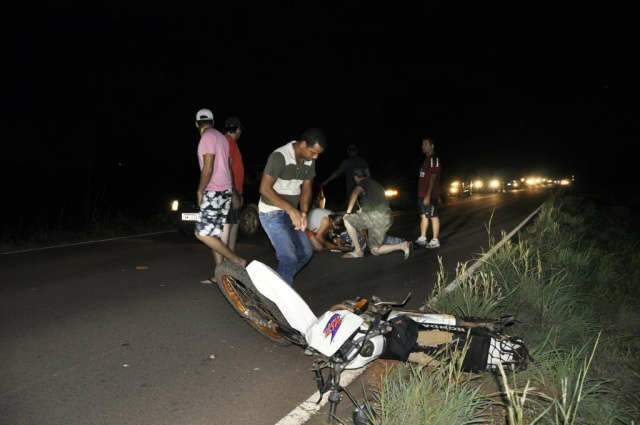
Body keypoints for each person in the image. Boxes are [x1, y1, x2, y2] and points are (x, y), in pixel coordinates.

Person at [258, 128, 327, 285]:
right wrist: (291, 209)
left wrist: (303, 212)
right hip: (271, 212)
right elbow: (264, 189)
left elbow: (307, 188)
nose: (315, 156)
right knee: (288, 257)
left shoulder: (309, 160)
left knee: (306, 252)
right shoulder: (279, 156)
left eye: (318, 154)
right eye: (313, 152)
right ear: (303, 144)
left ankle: (277, 283)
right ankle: (279, 300)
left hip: (293, 212)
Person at [193, 108, 246, 270]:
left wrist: (200, 190)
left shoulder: (207, 137)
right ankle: (222, 273)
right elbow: (228, 166)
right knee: (221, 233)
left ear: (197, 124)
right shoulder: (221, 138)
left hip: (214, 190)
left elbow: (208, 168)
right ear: (213, 122)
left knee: (202, 233)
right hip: (226, 190)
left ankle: (236, 260)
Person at [342, 168, 412, 259]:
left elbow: (355, 193)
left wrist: (348, 212)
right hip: (386, 217)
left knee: (346, 219)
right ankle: (402, 245)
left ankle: (358, 251)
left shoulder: (363, 182)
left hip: (375, 216)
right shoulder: (377, 185)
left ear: (356, 177)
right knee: (375, 250)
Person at [217, 116, 245, 262]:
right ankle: (224, 266)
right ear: (238, 130)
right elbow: (227, 168)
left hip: (232, 191)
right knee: (227, 228)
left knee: (233, 225)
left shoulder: (228, 141)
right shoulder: (228, 142)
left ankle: (230, 262)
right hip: (229, 191)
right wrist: (234, 193)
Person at [415, 137, 441, 248]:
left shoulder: (434, 159)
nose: (423, 146)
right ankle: (423, 238)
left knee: (433, 216)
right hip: (422, 194)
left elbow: (434, 176)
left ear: (432, 146)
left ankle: (435, 240)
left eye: (425, 144)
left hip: (429, 195)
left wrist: (429, 194)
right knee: (423, 216)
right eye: (422, 144)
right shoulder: (426, 160)